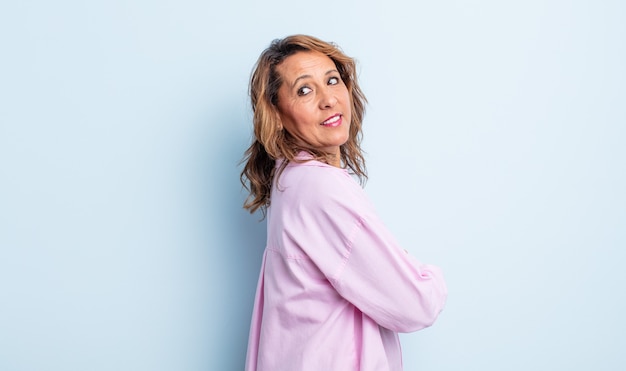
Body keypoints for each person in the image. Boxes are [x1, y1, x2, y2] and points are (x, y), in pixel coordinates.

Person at [240, 34, 448, 371]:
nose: (328, 100)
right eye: (304, 90)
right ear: (276, 114)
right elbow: (416, 305)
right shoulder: (321, 189)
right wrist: (426, 275)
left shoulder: (290, 180)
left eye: (332, 80)